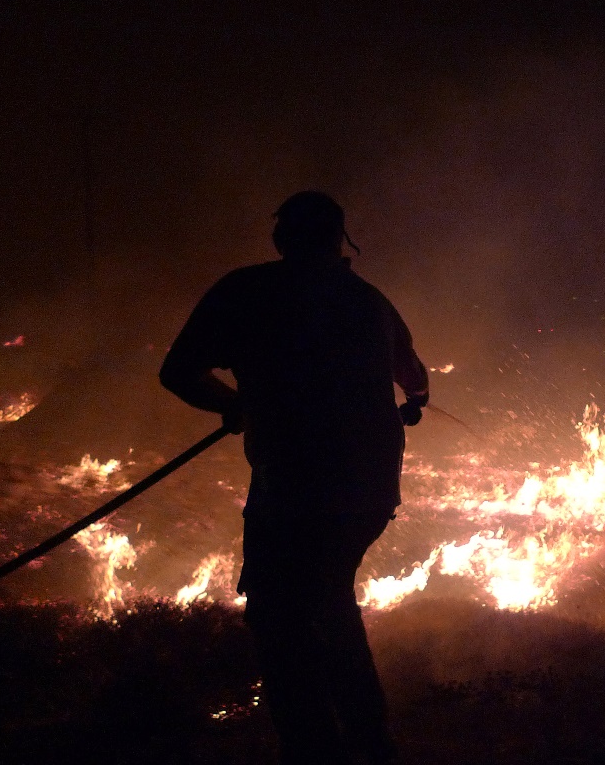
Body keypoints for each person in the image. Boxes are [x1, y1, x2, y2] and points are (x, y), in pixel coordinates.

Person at [159, 191, 429, 765]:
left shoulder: (247, 292)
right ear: (339, 242)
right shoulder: (366, 300)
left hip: (294, 483)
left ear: (281, 238)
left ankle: (314, 748)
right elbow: (414, 376)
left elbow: (179, 371)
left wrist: (233, 405)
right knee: (327, 599)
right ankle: (368, 743)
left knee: (279, 615)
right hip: (368, 487)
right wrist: (415, 399)